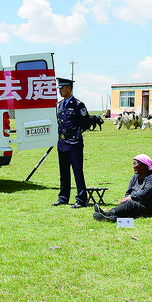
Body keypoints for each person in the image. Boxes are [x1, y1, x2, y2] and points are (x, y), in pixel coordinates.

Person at [54, 77, 92, 208]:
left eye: (62, 88)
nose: (60, 90)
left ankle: (81, 199)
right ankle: (63, 197)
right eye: (59, 88)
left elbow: (87, 122)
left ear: (69, 88)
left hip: (74, 143)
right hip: (62, 143)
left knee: (77, 172)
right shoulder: (59, 105)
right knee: (63, 172)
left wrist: (76, 133)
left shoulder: (78, 105)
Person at [93, 154, 152, 222]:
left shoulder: (151, 177)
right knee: (126, 209)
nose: (133, 166)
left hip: (148, 207)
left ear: (143, 166)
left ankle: (107, 214)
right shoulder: (135, 176)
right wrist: (127, 198)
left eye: (135, 164)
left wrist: (131, 197)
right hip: (135, 204)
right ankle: (110, 218)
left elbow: (146, 193)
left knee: (129, 204)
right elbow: (128, 192)